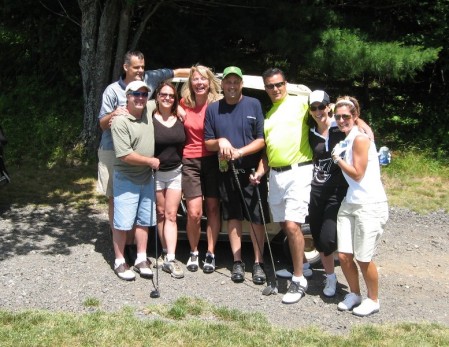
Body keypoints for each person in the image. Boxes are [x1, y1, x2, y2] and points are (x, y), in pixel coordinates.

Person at [97, 50, 189, 264]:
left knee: (139, 203)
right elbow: (102, 124)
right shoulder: (112, 91)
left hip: (141, 151)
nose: (140, 71)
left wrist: (202, 75)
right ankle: (121, 245)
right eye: (136, 67)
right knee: (116, 199)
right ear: (125, 67)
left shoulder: (149, 79)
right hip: (113, 149)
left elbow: (175, 72)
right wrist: (116, 113)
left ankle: (134, 247)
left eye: (142, 67)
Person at [251, 67, 312, 304]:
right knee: (282, 224)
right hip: (275, 175)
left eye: (279, 84)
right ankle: (304, 266)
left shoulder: (301, 103)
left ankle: (298, 280)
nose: (275, 89)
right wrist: (259, 172)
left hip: (299, 170)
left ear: (286, 84)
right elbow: (269, 152)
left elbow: (332, 113)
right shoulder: (269, 115)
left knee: (292, 224)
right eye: (270, 86)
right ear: (265, 88)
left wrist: (360, 125)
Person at [204, 66, 269, 285]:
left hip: (252, 172)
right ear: (222, 85)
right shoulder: (213, 109)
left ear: (241, 84)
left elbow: (261, 140)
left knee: (255, 218)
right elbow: (207, 142)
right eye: (228, 82)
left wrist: (240, 151)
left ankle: (258, 263)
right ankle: (238, 261)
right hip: (226, 171)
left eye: (236, 82)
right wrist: (220, 142)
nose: (232, 86)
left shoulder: (253, 104)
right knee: (233, 217)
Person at [307, 90, 372, 298]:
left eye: (322, 107)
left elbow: (361, 129)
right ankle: (330, 277)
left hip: (337, 191)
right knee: (318, 237)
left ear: (329, 107)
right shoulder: (309, 131)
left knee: (328, 238)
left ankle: (350, 284)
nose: (318, 111)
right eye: (314, 108)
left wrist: (361, 122)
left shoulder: (340, 127)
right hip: (315, 190)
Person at [331, 96, 388, 317]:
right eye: (338, 116)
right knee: (344, 255)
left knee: (363, 257)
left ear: (355, 116)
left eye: (347, 116)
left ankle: (373, 300)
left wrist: (337, 159)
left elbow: (357, 173)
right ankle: (354, 294)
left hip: (370, 204)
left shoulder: (361, 140)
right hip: (350, 202)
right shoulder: (348, 137)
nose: (342, 120)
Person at [110, 80, 160, 281]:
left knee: (143, 221)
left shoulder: (148, 108)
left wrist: (180, 111)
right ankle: (120, 261)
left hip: (146, 178)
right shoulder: (120, 121)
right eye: (135, 94)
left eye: (143, 94)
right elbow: (124, 155)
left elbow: (166, 100)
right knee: (122, 224)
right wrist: (150, 161)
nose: (140, 98)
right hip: (126, 179)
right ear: (127, 97)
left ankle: (141, 258)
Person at [179, 65, 223, 274]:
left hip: (214, 160)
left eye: (203, 79)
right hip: (190, 160)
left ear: (210, 82)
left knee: (213, 208)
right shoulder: (182, 104)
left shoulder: (219, 104)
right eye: (195, 79)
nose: (199, 83)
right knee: (194, 213)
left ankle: (211, 253)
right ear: (190, 82)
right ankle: (194, 251)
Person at [152, 81, 186, 279]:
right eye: (163, 94)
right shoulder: (149, 117)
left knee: (172, 215)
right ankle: (164, 252)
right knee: (161, 213)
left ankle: (171, 258)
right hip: (155, 173)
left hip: (175, 171)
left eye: (171, 96)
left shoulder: (180, 117)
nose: (167, 98)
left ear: (175, 99)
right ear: (157, 96)